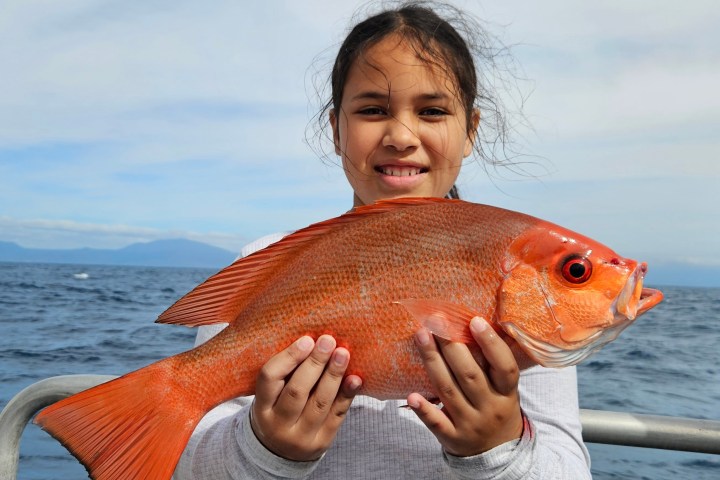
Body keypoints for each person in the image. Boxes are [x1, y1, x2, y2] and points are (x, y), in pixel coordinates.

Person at [175, 2, 591, 478]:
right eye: (373, 110)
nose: (401, 135)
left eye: (432, 111)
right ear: (336, 130)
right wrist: (265, 448)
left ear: (471, 131)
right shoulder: (266, 262)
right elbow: (192, 464)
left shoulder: (530, 310)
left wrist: (499, 447)